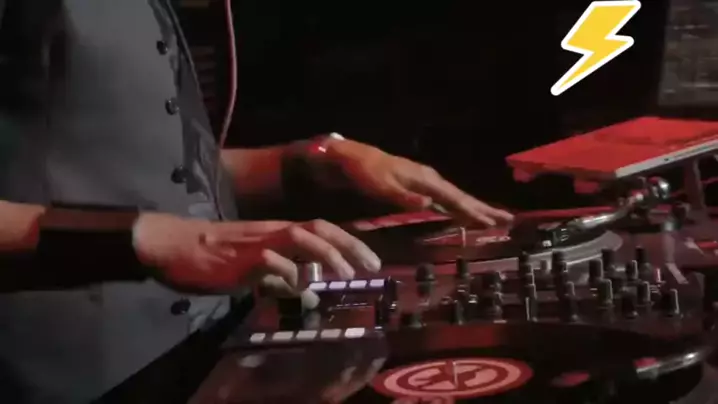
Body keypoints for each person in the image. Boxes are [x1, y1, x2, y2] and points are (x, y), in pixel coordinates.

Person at [0, 1, 513, 403]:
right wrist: (146, 239)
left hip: (207, 354)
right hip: (80, 378)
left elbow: (157, 173)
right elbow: (164, 228)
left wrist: (312, 161)